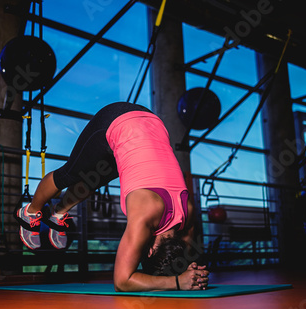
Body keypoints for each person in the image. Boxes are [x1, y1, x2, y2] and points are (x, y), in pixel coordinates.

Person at [16, 102, 209, 292]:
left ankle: (58, 214)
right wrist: (176, 283)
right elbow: (122, 281)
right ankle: (30, 211)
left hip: (153, 123)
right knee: (69, 174)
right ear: (148, 251)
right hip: (116, 119)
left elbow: (187, 249)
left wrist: (188, 271)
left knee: (93, 181)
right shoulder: (146, 214)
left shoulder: (187, 214)